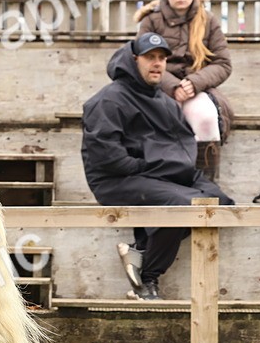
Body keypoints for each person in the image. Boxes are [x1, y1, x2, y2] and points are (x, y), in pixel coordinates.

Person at [81, 32, 234, 299]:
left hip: (162, 174)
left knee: (222, 203)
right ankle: (148, 279)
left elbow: (182, 144)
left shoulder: (164, 100)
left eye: (162, 58)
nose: (157, 63)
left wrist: (171, 169)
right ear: (133, 60)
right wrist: (153, 167)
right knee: (183, 207)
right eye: (150, 57)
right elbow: (107, 157)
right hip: (118, 179)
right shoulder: (109, 100)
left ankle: (140, 249)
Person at [135, 0, 234, 182]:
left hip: (196, 89)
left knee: (206, 118)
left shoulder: (208, 21)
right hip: (158, 88)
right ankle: (161, 185)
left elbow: (223, 63)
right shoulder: (150, 21)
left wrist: (194, 83)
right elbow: (140, 61)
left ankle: (205, 187)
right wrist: (172, 86)